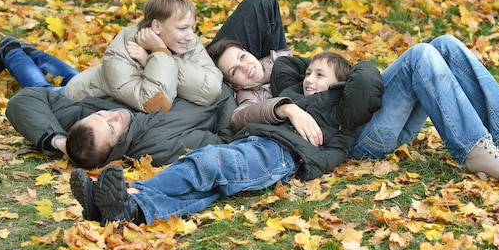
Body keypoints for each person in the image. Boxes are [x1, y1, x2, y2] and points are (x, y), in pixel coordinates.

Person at [208, 28, 499, 180]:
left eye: (242, 55)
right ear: (230, 82)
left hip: (366, 116)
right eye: (235, 70)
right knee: (418, 56)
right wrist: (287, 107)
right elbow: (240, 118)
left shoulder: (286, 63)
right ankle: (476, 149)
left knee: (442, 44)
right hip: (358, 139)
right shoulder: (249, 98)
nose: (245, 65)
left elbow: (340, 75)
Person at [69, 51, 384, 225]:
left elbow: (367, 79)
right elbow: (286, 63)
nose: (309, 79)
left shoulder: (342, 114)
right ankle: (128, 212)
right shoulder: (293, 93)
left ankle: (127, 191)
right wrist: (315, 68)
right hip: (255, 146)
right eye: (309, 73)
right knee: (206, 189)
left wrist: (342, 70)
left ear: (342, 86)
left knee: (206, 164)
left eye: (319, 75)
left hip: (279, 154)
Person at [0, 0, 282, 113]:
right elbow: (155, 102)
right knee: (45, 87)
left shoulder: (181, 42)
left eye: (192, 27)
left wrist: (157, 54)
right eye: (183, 29)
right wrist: (162, 55)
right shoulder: (121, 52)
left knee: (73, 74)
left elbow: (209, 88)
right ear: (157, 26)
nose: (192, 37)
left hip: (96, 79)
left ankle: (22, 49)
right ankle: (11, 53)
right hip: (79, 99)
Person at [5, 85, 237, 170]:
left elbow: (23, 99)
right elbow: (226, 141)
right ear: (116, 148)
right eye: (112, 128)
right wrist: (227, 90)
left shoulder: (85, 127)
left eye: (101, 114)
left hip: (192, 67)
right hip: (229, 89)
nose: (113, 115)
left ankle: (13, 51)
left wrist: (59, 142)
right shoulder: (158, 147)